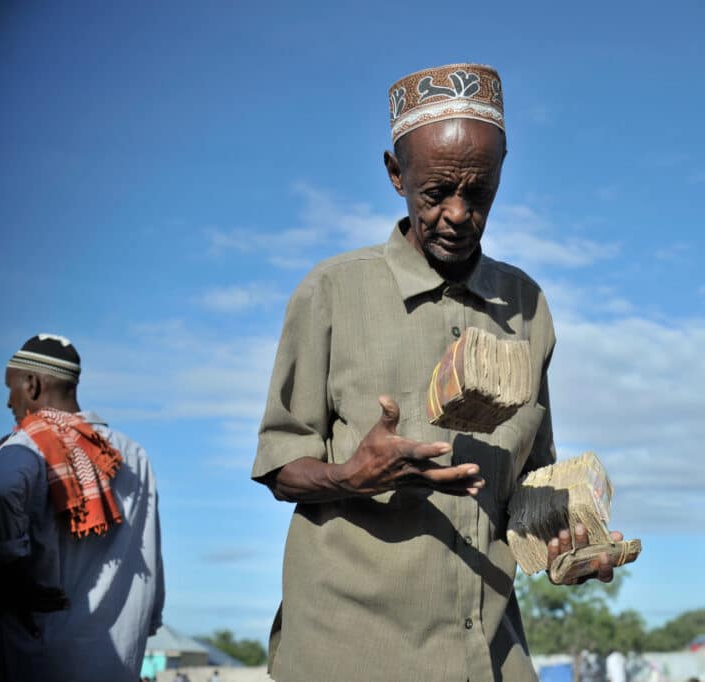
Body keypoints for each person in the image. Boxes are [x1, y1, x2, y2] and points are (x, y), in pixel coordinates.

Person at [252, 63, 627, 681]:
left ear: (503, 169)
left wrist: (571, 544)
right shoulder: (331, 293)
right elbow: (280, 466)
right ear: (395, 175)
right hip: (350, 651)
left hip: (489, 655)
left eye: (477, 193)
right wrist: (354, 475)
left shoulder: (527, 306)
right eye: (435, 193)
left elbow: (531, 486)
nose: (457, 213)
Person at [0, 334, 164, 682]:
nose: (9, 401)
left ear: (32, 385)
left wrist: (6, 572)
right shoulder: (132, 454)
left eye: (11, 388)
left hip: (38, 654)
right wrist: (151, 618)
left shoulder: (27, 443)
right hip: (115, 661)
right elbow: (151, 550)